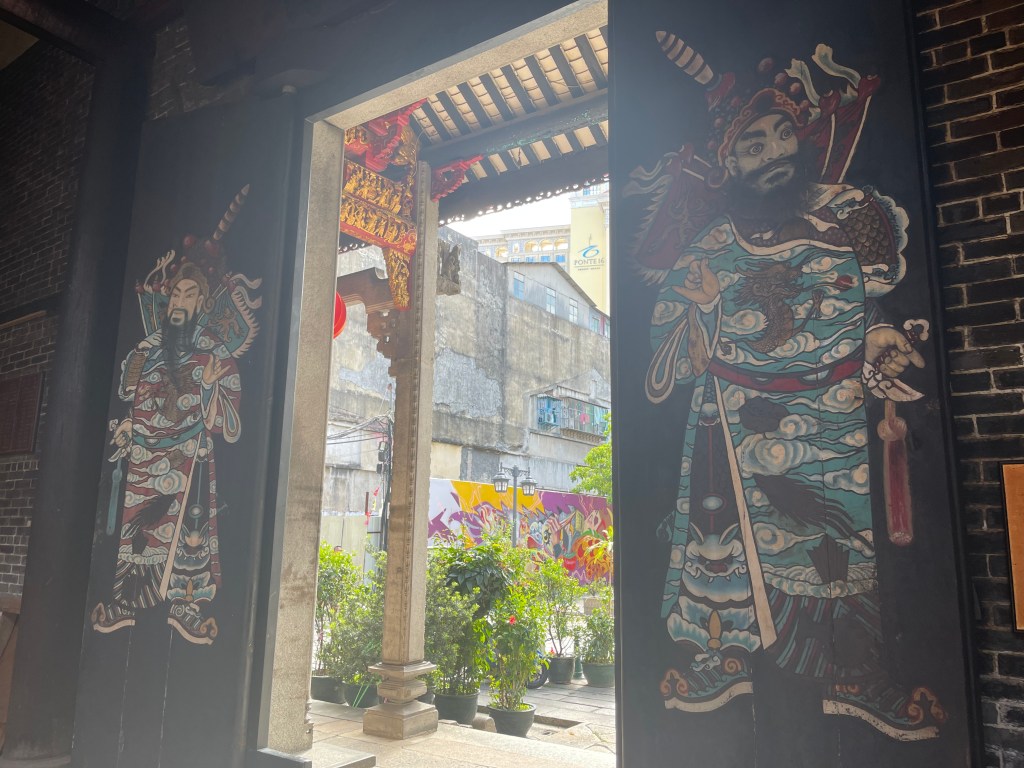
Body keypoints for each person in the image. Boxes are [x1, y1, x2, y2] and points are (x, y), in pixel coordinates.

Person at [640, 76, 946, 739]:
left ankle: (854, 671)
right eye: (754, 144)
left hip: (834, 415)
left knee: (841, 550)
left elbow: (873, 301)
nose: (775, 152)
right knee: (736, 556)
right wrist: (702, 307)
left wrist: (879, 334)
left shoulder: (849, 213)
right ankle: (727, 658)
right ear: (729, 161)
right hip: (741, 420)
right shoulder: (712, 245)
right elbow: (670, 351)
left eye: (783, 135)